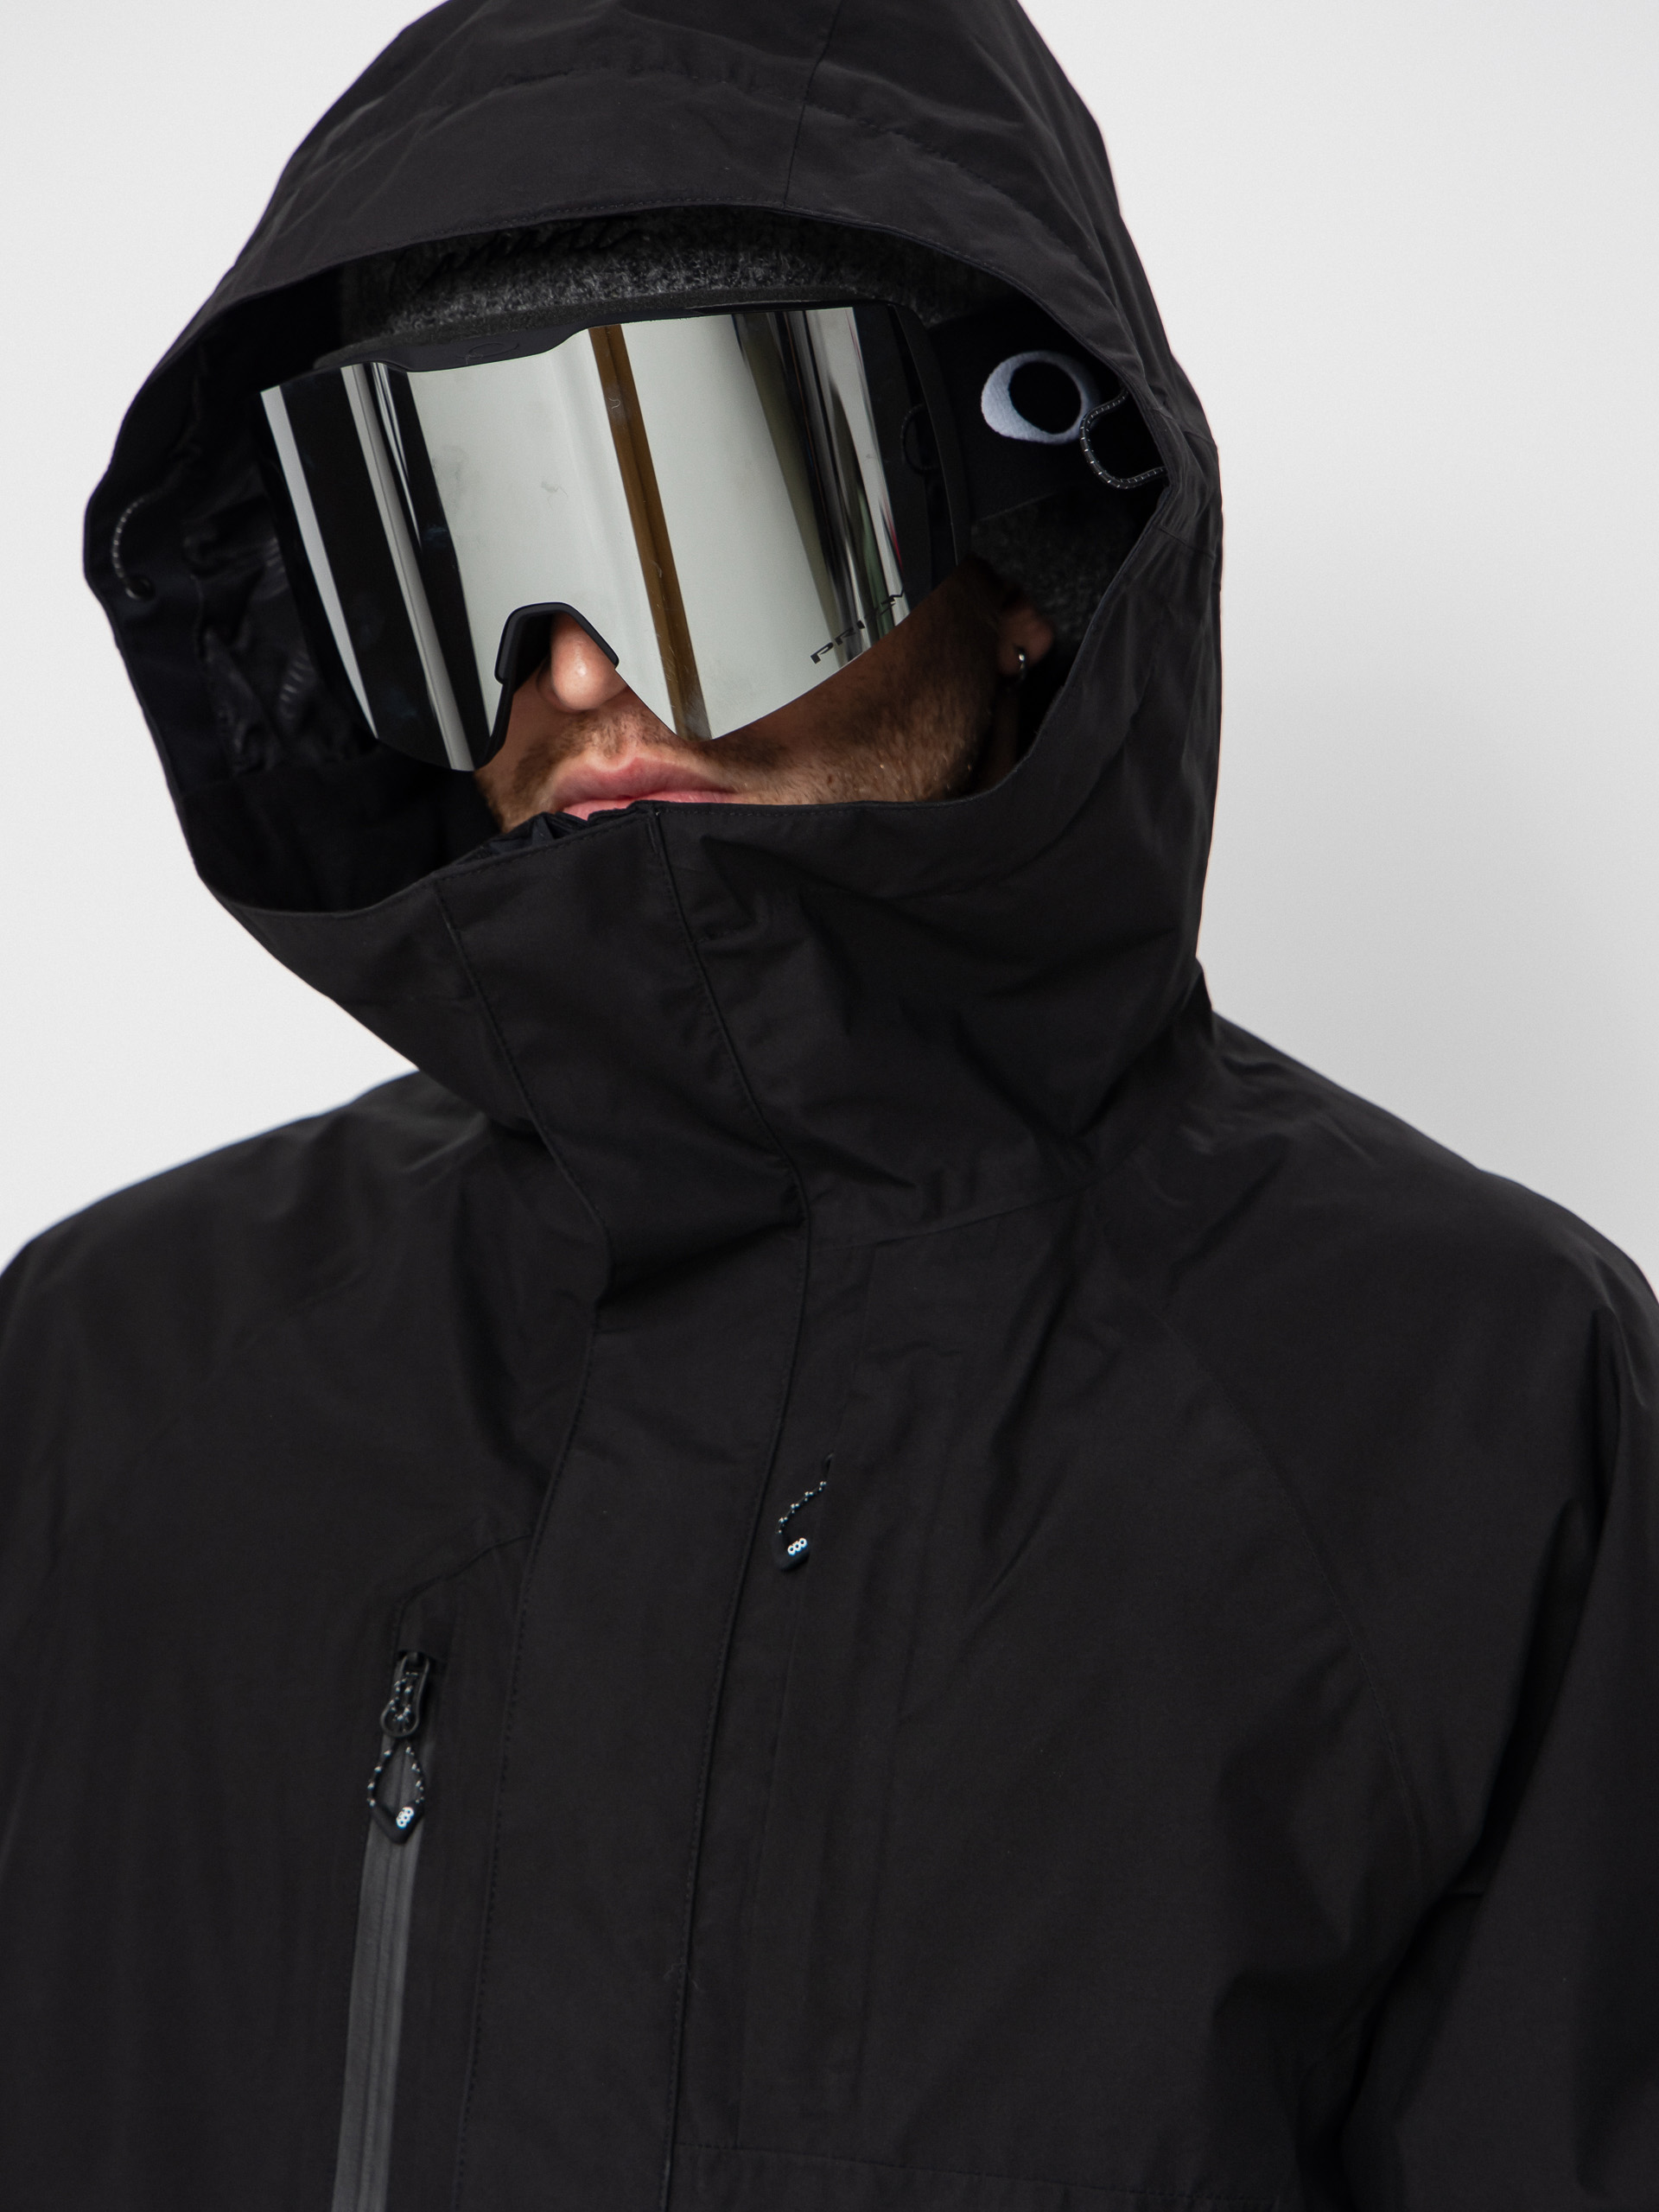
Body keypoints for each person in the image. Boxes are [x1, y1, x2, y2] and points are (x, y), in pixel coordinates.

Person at [2, 2, 1655, 2208]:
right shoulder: (115, 1375)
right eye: (461, 548)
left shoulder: (1471, 1401)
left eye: (699, 503)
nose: (574, 669)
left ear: (1021, 562)